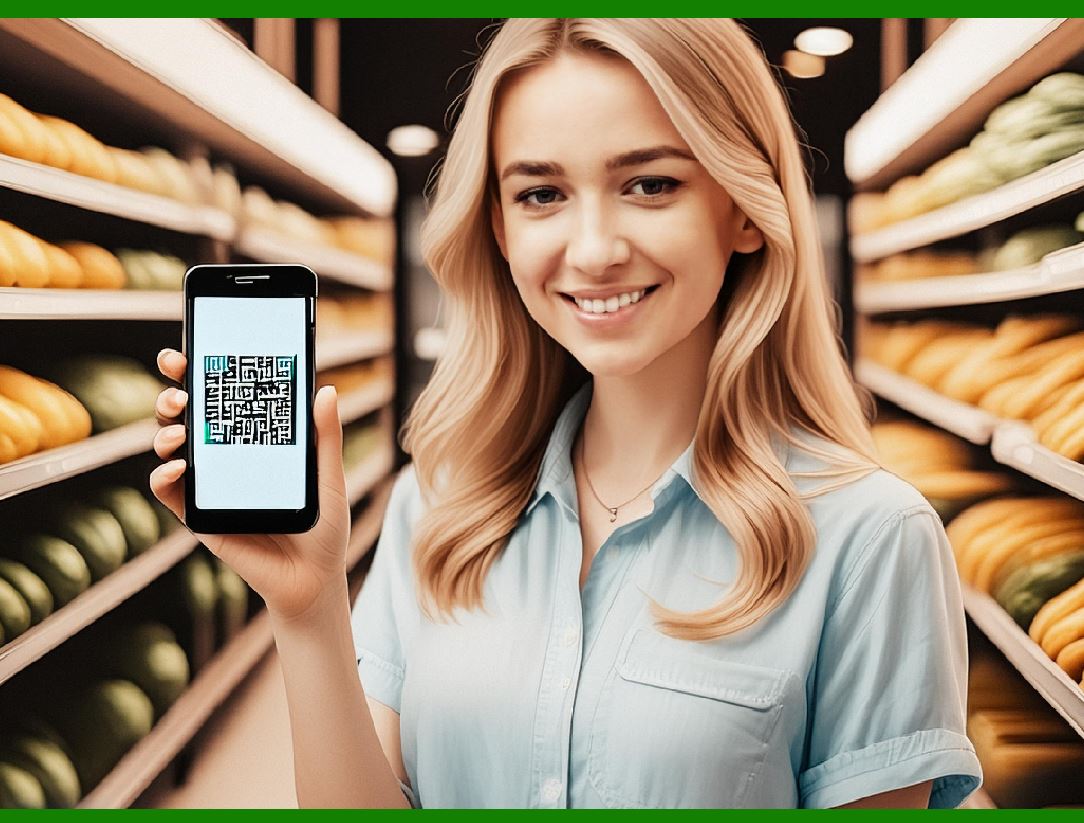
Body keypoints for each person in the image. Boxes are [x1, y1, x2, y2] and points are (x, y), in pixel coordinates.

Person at [151, 18, 983, 809]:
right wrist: (307, 611)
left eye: (649, 184)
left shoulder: (871, 539)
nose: (592, 249)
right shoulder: (436, 505)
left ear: (742, 208)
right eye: (542, 193)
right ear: (500, 229)